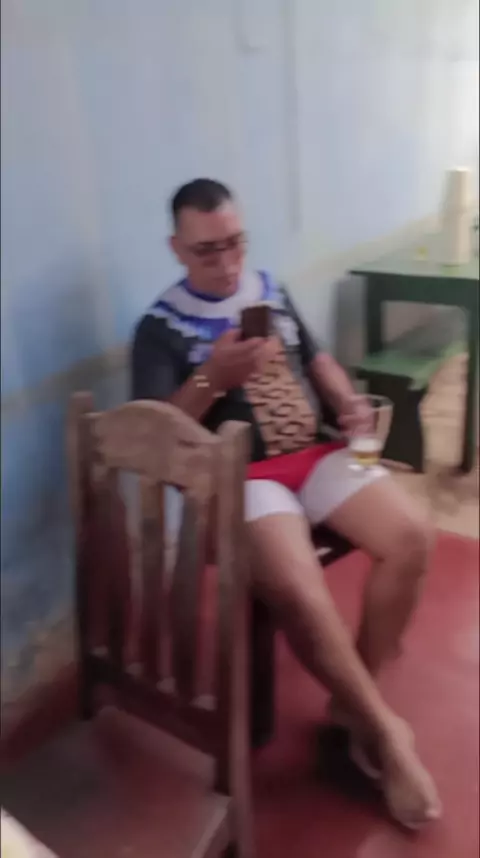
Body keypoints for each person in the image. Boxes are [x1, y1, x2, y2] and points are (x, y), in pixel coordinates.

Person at [131, 178, 441, 830]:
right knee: (298, 589)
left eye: (236, 242)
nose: (227, 262)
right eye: (208, 250)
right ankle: (385, 732)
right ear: (177, 248)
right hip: (241, 475)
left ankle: (353, 705)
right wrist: (213, 376)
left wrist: (348, 401)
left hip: (317, 451)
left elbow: (317, 358)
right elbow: (158, 436)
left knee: (412, 535)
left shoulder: (269, 289)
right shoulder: (159, 328)